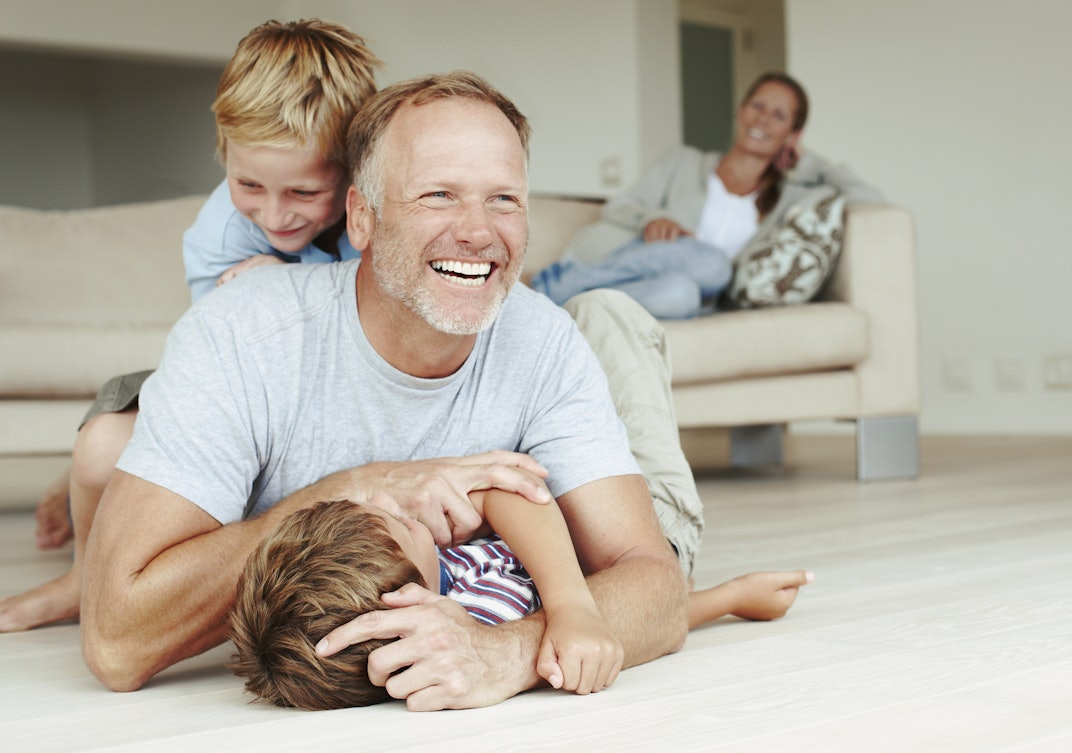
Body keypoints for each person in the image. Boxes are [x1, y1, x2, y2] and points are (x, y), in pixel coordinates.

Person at [80, 71, 692, 712]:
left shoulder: (543, 339)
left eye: (504, 200)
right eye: (438, 195)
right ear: (362, 218)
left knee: (611, 320)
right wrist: (352, 488)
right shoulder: (242, 333)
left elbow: (659, 589)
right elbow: (117, 643)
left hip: (573, 465)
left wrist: (505, 651)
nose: (478, 232)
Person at [0, 18, 382, 633]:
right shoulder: (221, 233)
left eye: (305, 192)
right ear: (222, 154)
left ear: (355, 172)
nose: (274, 215)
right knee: (99, 447)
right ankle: (83, 577)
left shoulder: (380, 220)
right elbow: (220, 363)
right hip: (245, 396)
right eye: (248, 184)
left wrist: (289, 282)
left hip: (341, 408)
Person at [230, 497, 811, 710]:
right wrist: (732, 597)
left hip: (592, 548)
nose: (415, 511)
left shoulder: (444, 573)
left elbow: (501, 491)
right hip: (644, 550)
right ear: (407, 599)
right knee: (616, 318)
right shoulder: (488, 612)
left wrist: (569, 603)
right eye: (407, 524)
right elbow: (621, 628)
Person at [528, 72, 882, 319]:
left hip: (681, 292)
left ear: (792, 133)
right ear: (740, 110)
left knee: (685, 292)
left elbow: (872, 202)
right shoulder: (683, 161)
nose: (763, 120)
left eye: (779, 116)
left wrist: (809, 159)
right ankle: (560, 284)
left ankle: (565, 297)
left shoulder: (790, 196)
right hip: (632, 257)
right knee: (712, 263)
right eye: (758, 106)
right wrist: (655, 219)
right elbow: (621, 207)